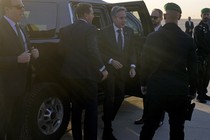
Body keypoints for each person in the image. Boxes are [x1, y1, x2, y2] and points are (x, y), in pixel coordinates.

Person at [139, 2, 197, 140]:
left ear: (165, 16)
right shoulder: (188, 40)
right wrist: (192, 90)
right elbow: (194, 69)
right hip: (178, 91)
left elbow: (144, 63)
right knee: (177, 128)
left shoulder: (152, 37)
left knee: (149, 126)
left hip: (156, 89)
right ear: (180, 16)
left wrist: (143, 84)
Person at [59, 3, 108, 140]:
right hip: (87, 76)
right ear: (86, 14)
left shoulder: (65, 30)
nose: (93, 16)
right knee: (91, 110)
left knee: (76, 109)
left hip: (71, 76)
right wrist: (103, 69)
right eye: (92, 13)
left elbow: (61, 51)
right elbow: (93, 51)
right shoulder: (90, 29)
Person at [0, 0, 39, 139]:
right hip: (5, 89)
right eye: (19, 7)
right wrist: (16, 59)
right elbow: (17, 57)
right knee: (2, 125)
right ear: (6, 9)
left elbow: (24, 50)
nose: (23, 10)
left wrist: (33, 53)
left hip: (22, 87)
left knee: (16, 125)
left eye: (23, 7)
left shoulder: (21, 27)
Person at [98, 6, 136, 140]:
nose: (124, 20)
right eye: (121, 18)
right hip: (109, 72)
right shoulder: (103, 32)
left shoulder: (129, 31)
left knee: (120, 97)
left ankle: (106, 117)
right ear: (113, 18)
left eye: (125, 17)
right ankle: (107, 131)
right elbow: (98, 52)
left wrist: (132, 66)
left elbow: (132, 51)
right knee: (110, 98)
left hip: (123, 72)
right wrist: (110, 60)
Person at [134, 8, 165, 126]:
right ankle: (145, 117)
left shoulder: (163, 33)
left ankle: (160, 119)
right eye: (151, 17)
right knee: (145, 96)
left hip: (159, 70)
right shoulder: (146, 31)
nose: (153, 19)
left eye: (155, 17)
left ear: (161, 18)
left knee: (159, 97)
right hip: (146, 68)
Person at [193, 8, 210, 103]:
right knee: (201, 76)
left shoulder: (207, 27)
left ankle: (204, 93)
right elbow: (200, 43)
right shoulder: (198, 28)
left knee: (207, 76)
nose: (206, 16)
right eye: (204, 14)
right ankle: (200, 95)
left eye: (208, 14)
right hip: (201, 56)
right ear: (201, 15)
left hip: (208, 56)